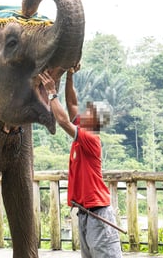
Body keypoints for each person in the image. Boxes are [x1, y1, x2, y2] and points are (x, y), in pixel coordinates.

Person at [39, 66, 122, 258]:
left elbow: (63, 121)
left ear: (95, 121)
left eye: (89, 112)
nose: (83, 112)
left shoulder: (90, 138)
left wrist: (52, 93)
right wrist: (70, 76)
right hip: (85, 213)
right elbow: (71, 103)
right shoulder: (83, 131)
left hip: (99, 214)